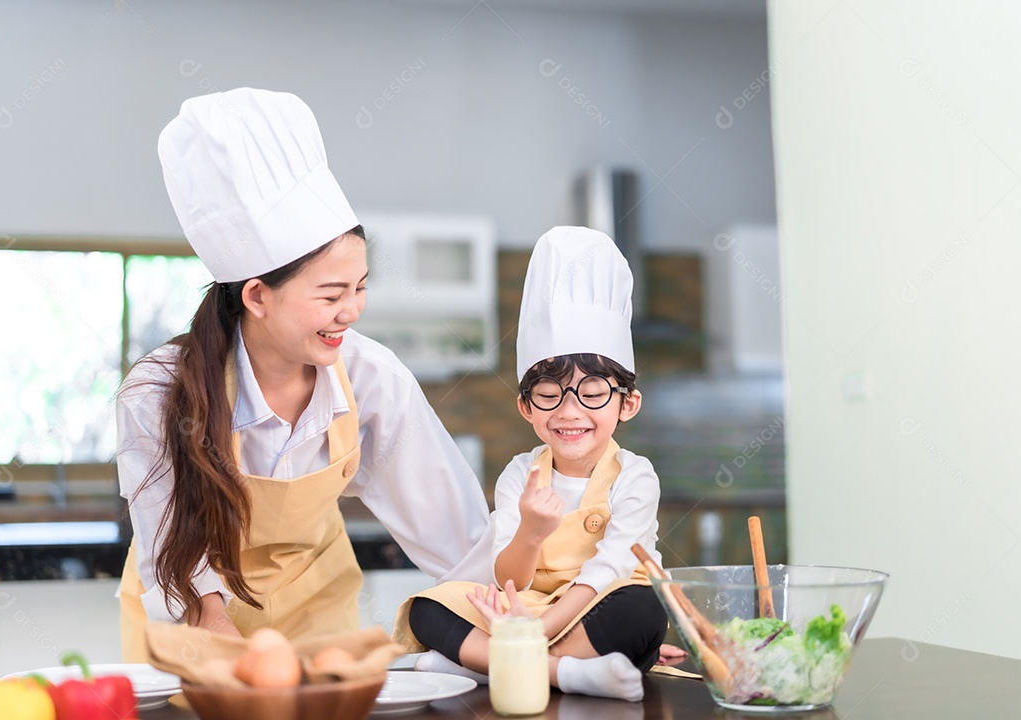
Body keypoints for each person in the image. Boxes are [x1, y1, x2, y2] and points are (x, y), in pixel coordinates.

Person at [116, 88, 491, 661]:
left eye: (361, 288)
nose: (352, 312)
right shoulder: (157, 393)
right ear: (258, 296)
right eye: (331, 294)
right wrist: (243, 669)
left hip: (320, 615)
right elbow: (183, 572)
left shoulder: (370, 379)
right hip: (194, 616)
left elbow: (459, 537)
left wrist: (542, 630)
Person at [392, 226, 670, 702]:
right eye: (548, 395)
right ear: (526, 408)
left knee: (642, 610)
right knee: (428, 608)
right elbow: (510, 580)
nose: (569, 412)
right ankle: (567, 673)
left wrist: (538, 628)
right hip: (527, 606)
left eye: (594, 393)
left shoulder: (636, 477)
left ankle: (489, 664)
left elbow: (608, 571)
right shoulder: (522, 474)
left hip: (595, 607)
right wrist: (532, 534)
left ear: (627, 404)